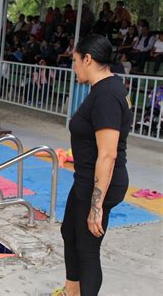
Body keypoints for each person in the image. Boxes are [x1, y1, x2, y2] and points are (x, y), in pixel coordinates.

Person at [55, 34, 132, 296]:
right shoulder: (106, 88)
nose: (74, 66)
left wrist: (96, 206)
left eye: (75, 61)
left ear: (88, 59)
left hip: (100, 182)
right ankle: (71, 291)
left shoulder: (106, 97)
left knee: (87, 250)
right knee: (70, 233)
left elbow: (108, 154)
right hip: (85, 179)